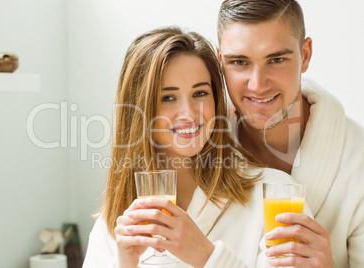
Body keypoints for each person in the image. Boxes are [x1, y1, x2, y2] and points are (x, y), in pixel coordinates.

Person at [82, 26, 298, 268]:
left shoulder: (277, 195)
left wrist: (207, 257)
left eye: (200, 93)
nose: (189, 113)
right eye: (168, 98)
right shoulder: (115, 221)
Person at [216, 0, 364, 267]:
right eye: (239, 62)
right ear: (219, 61)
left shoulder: (358, 160)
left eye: (276, 59)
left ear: (305, 55)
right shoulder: (198, 149)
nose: (258, 84)